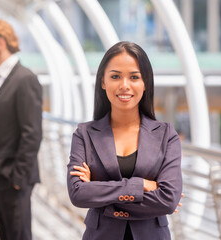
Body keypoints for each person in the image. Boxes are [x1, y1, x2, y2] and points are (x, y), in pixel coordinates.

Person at [67, 41, 183, 240]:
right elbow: (78, 194)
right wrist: (141, 185)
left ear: (145, 82)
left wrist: (100, 193)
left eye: (134, 77)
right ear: (103, 82)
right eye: (115, 76)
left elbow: (168, 199)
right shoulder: (84, 134)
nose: (124, 85)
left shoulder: (166, 135)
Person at [0, 19, 43, 240]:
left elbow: (32, 132)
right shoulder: (0, 78)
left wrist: (18, 177)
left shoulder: (25, 79)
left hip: (12, 180)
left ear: (0, 43)